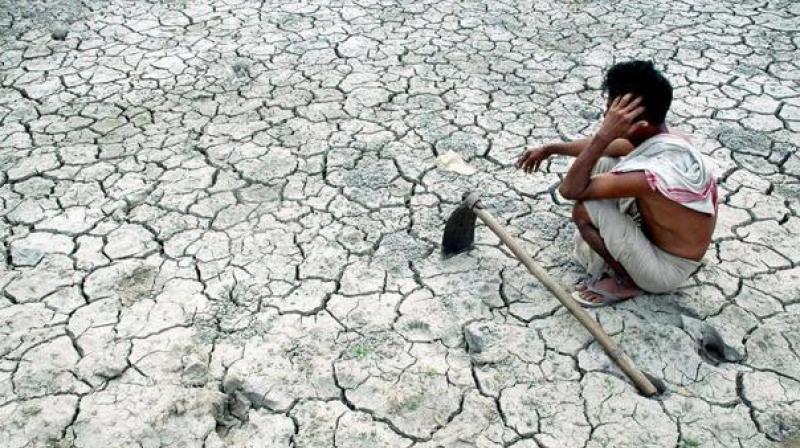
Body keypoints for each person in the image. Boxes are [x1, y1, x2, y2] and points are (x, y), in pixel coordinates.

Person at [516, 60, 718, 307]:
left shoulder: (650, 176)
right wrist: (551, 149)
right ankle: (626, 260)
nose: (606, 116)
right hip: (664, 243)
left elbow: (569, 190)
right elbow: (608, 149)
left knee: (584, 209)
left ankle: (627, 281)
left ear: (639, 123)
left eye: (612, 113)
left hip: (665, 271)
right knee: (604, 162)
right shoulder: (666, 138)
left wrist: (605, 133)